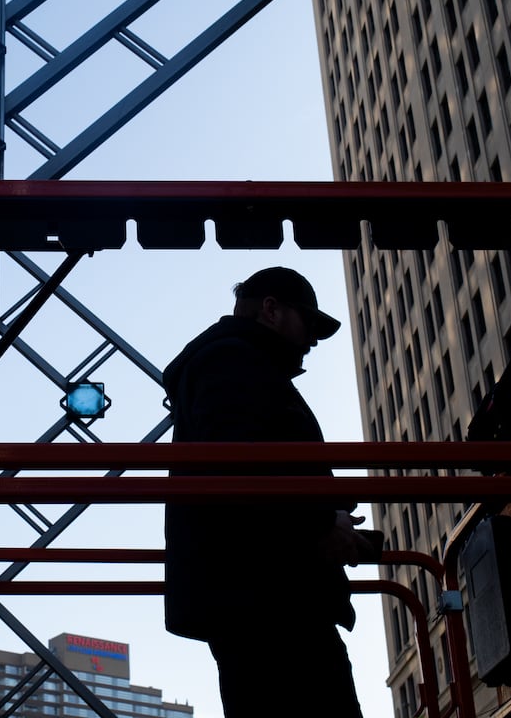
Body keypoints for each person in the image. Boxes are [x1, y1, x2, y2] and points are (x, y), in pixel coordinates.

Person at [163, 266, 375, 718]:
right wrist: (321, 524)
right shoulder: (233, 362)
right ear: (272, 309)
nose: (313, 340)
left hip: (257, 596)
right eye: (309, 323)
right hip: (271, 601)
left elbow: (240, 470)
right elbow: (238, 473)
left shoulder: (231, 363)